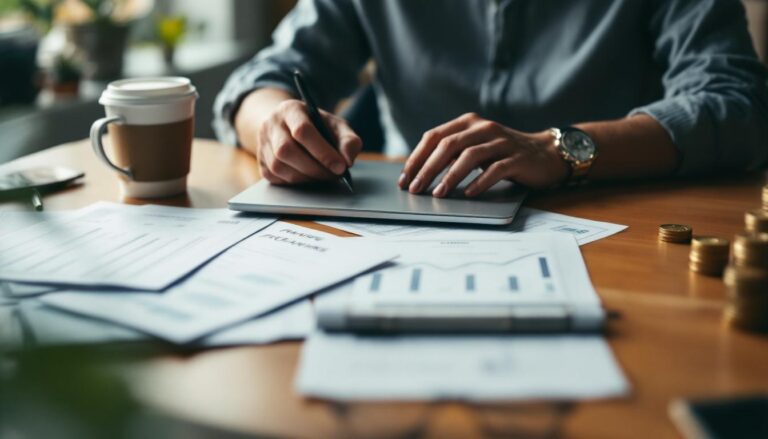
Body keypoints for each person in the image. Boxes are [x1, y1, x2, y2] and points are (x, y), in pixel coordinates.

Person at [214, 0, 768, 198]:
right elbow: (264, 77)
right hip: (410, 225)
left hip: (615, 220)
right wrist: (272, 121)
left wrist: (558, 150)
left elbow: (739, 103)